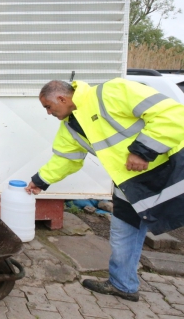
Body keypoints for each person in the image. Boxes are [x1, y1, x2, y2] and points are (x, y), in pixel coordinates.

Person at [25, 79, 184, 302]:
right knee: (122, 235)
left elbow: (172, 114)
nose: (48, 113)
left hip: (170, 173)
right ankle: (123, 285)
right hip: (130, 185)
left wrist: (143, 151)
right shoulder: (70, 127)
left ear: (62, 98)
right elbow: (65, 159)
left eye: (48, 107)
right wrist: (39, 181)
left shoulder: (113, 91)